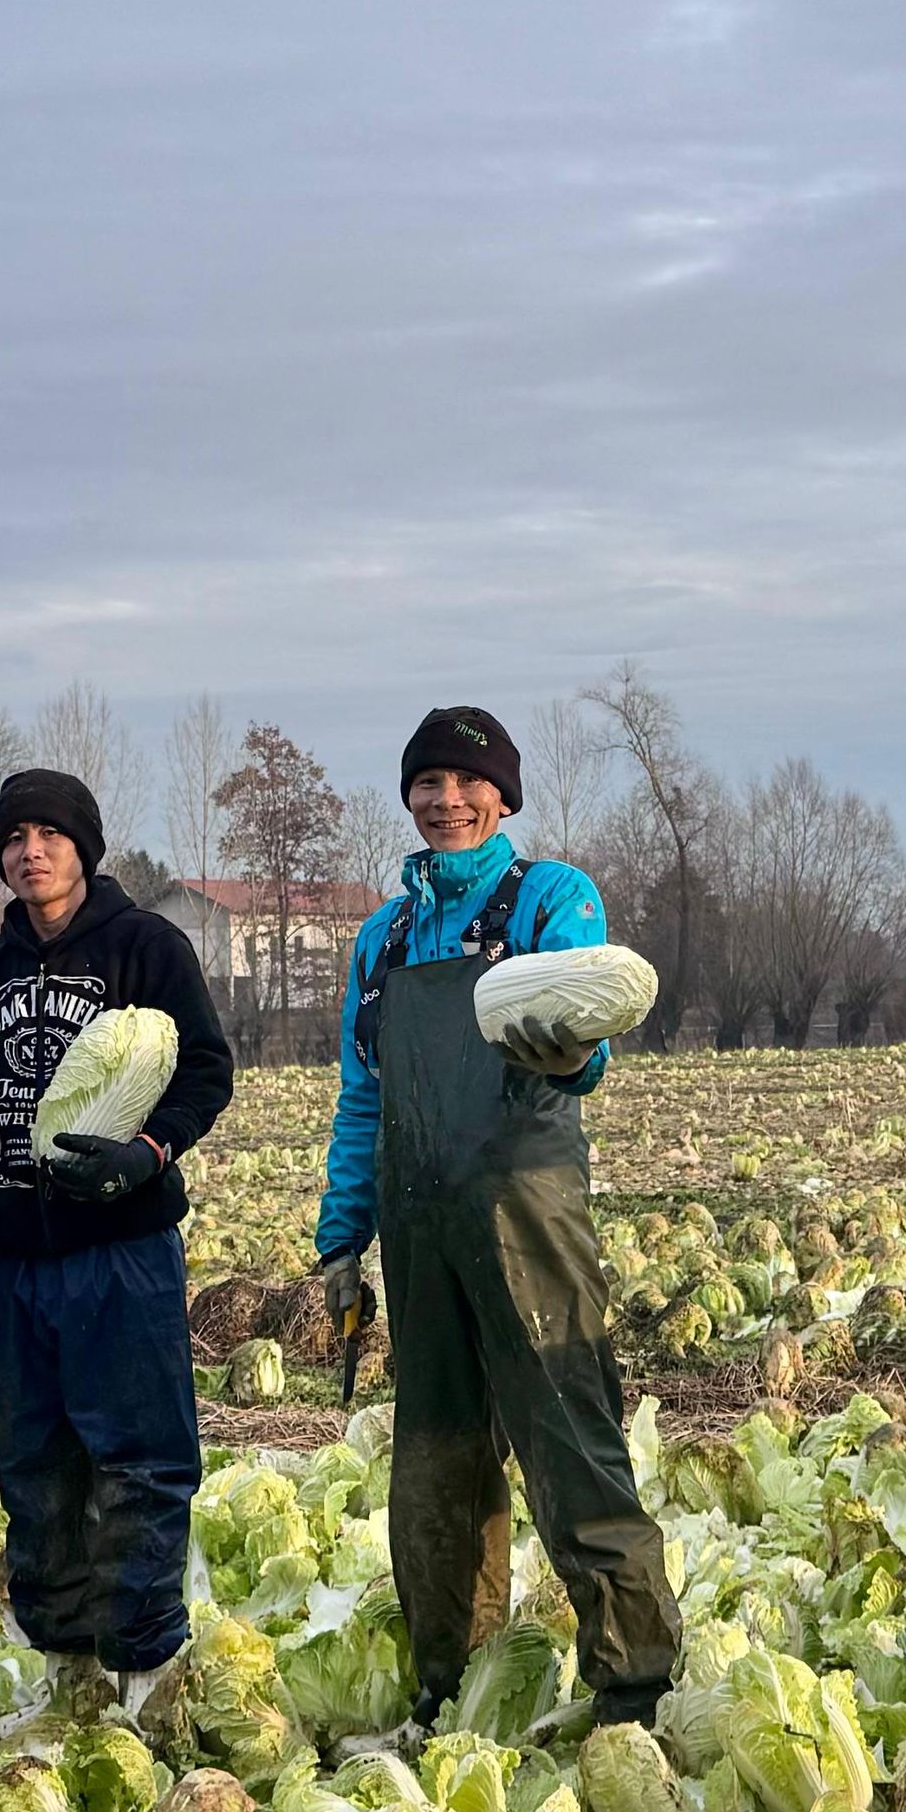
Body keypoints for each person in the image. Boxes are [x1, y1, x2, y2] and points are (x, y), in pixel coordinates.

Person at [315, 705, 676, 1723]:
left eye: (467, 782)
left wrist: (568, 1046)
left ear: (503, 796)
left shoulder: (550, 896)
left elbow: (587, 1037)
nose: (447, 800)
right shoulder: (382, 939)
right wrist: (343, 1234)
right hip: (417, 1222)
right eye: (427, 782)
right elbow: (364, 1093)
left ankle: (633, 1682)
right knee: (435, 1461)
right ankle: (451, 1677)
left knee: (570, 1441)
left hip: (526, 1212)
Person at [0, 770, 234, 1711]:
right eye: (14, 837)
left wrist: (148, 1153)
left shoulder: (147, 946)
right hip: (20, 1260)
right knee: (35, 1468)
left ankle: (145, 1673)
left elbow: (207, 1070)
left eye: (50, 834)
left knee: (140, 1460)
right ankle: (68, 1678)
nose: (32, 851)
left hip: (122, 1252)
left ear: (84, 846)